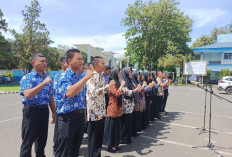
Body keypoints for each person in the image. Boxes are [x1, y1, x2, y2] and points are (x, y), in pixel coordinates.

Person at [54, 49, 94, 157]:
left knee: (75, 149)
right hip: (67, 118)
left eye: (82, 59)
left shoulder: (80, 77)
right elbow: (69, 93)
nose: (81, 61)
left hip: (80, 116)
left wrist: (84, 114)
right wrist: (85, 78)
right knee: (63, 150)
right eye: (78, 59)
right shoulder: (62, 76)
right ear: (69, 60)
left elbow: (82, 97)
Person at [19, 53, 56, 157]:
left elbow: (51, 97)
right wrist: (44, 83)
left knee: (42, 141)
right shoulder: (28, 77)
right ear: (33, 63)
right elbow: (28, 94)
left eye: (45, 61)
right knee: (28, 141)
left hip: (44, 111)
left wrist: (54, 112)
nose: (45, 63)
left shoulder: (47, 78)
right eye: (42, 61)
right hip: (31, 111)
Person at [86, 56, 115, 157]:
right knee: (93, 140)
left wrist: (104, 111)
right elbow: (94, 92)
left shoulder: (101, 77)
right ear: (95, 65)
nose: (104, 65)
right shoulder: (91, 77)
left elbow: (102, 94)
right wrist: (108, 86)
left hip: (100, 112)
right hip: (94, 113)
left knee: (98, 140)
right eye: (102, 63)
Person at [103, 68, 126, 152]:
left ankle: (115, 144)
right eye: (119, 73)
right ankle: (110, 145)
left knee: (116, 127)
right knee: (111, 128)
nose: (120, 75)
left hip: (118, 108)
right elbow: (116, 94)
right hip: (113, 108)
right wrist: (122, 86)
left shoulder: (117, 82)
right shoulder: (112, 83)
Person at [120, 67, 141, 144]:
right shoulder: (123, 81)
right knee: (124, 124)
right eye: (129, 72)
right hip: (125, 106)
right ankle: (123, 138)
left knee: (128, 123)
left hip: (129, 106)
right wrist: (137, 89)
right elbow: (127, 92)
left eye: (131, 72)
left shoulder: (129, 81)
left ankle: (127, 138)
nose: (131, 74)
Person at [53, 57, 68, 155]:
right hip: (61, 109)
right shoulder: (59, 76)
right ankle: (56, 149)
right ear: (62, 64)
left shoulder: (74, 75)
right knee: (59, 132)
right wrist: (54, 111)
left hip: (71, 110)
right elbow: (55, 96)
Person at [131, 71, 143, 136]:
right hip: (135, 101)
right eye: (138, 75)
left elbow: (139, 91)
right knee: (134, 117)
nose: (139, 76)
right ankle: (133, 132)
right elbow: (134, 92)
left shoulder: (137, 82)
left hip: (138, 101)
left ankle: (136, 131)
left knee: (137, 116)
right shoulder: (132, 82)